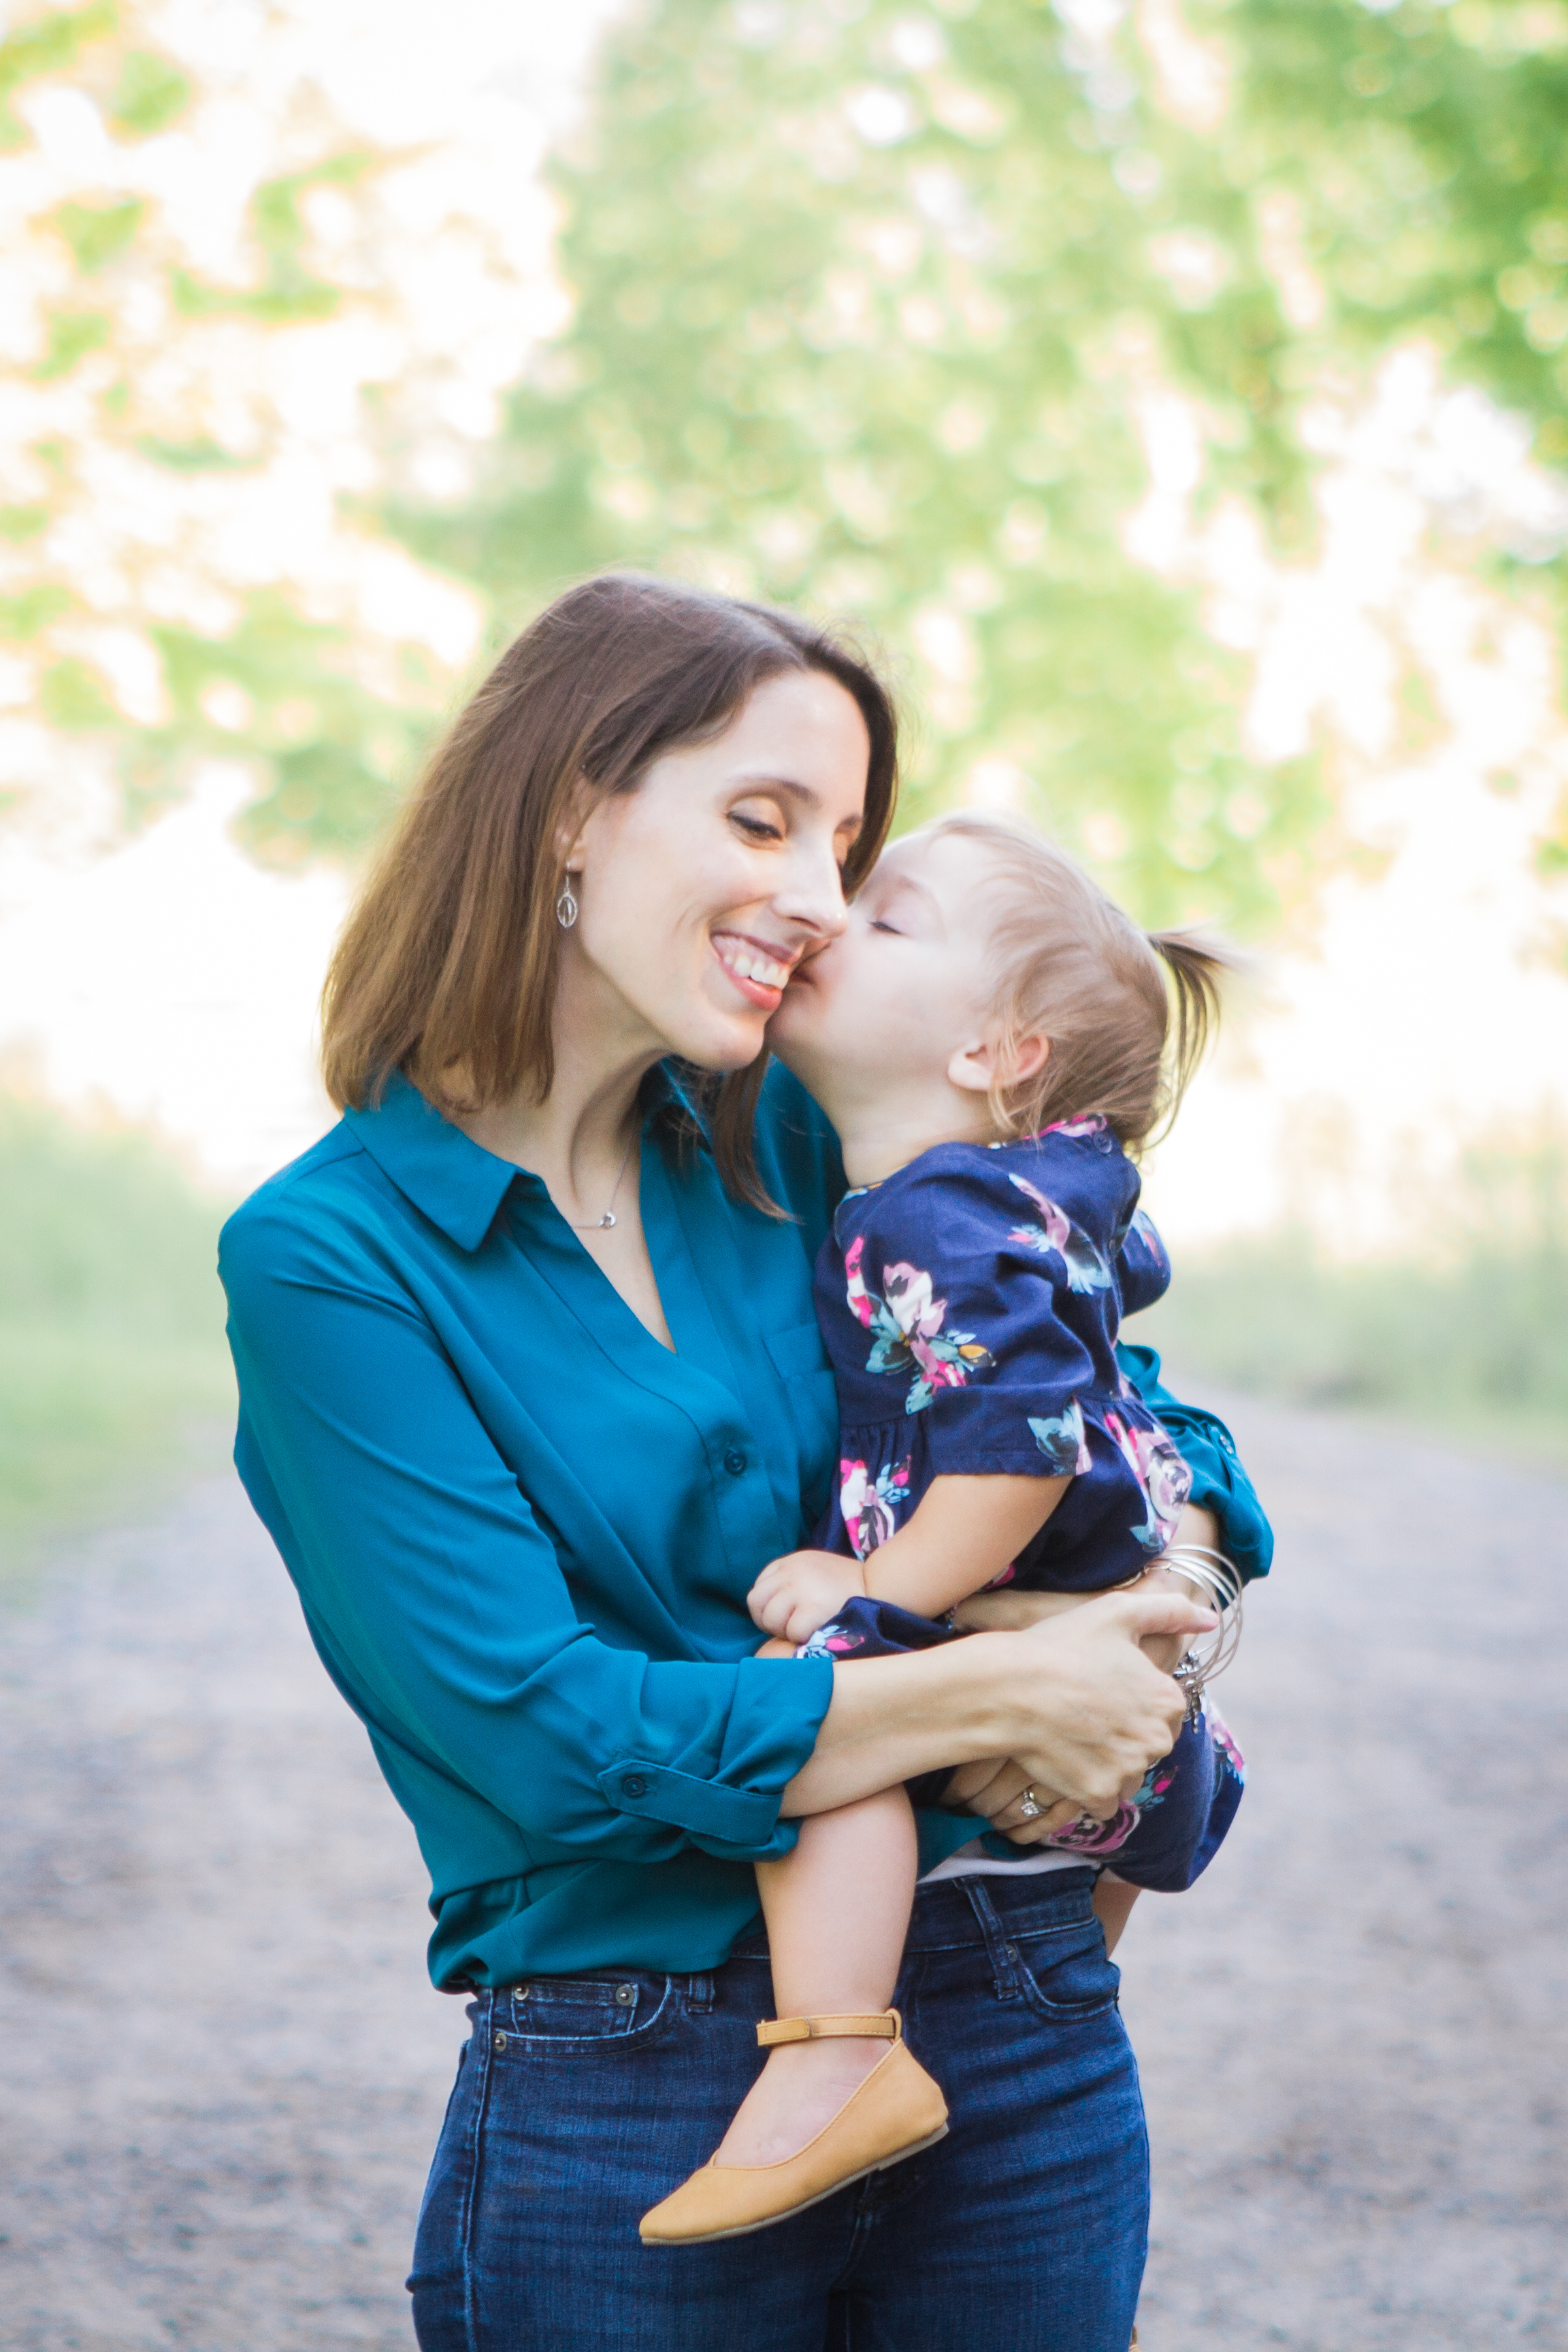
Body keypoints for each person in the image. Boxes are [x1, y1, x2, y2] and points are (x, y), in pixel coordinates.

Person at [218, 572, 1271, 2352]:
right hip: (630, 2069)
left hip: (1017, 2022)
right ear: (570, 810)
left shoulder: (819, 1132)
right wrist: (1005, 1691)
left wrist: (1167, 1606)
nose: (814, 898)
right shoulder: (334, 1258)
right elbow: (550, 1741)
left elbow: (1151, 1428)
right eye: (762, 820)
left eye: (847, 844)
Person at [640, 814, 1247, 2248]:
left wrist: (876, 1589)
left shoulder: (937, 1211)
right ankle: (1051, 1981)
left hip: (1034, 1572)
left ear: (995, 1055)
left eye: (890, 917)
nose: (834, 918)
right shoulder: (1031, 1193)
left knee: (818, 1716)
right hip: (1094, 1609)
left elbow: (1022, 1446)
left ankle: (840, 2047)